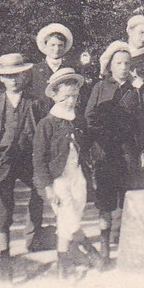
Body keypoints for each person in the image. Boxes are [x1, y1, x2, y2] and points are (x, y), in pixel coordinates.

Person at [0, 53, 46, 277]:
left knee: (42, 190)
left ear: (25, 76)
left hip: (28, 157)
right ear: (1, 79)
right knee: (2, 209)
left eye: (17, 75)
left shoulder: (34, 102)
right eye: (8, 76)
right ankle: (4, 256)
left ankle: (33, 235)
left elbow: (41, 132)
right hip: (4, 160)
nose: (13, 80)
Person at [33, 68, 103, 277]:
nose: (70, 101)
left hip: (77, 176)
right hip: (58, 180)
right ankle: (91, 251)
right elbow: (38, 159)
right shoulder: (47, 124)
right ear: (54, 96)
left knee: (68, 219)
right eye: (65, 97)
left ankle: (63, 262)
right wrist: (48, 187)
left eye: (74, 96)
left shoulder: (77, 120)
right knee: (69, 218)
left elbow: (85, 146)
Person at [86, 41, 144, 258]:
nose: (123, 67)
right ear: (110, 66)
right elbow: (89, 118)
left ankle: (123, 239)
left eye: (127, 63)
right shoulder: (100, 88)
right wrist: (97, 144)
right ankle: (104, 248)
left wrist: (142, 149)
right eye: (119, 63)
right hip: (105, 150)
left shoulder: (137, 89)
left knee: (128, 193)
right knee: (105, 197)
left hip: (128, 150)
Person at [29, 23, 74, 107]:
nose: (56, 49)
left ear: (64, 47)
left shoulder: (70, 70)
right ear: (45, 46)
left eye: (60, 45)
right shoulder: (34, 70)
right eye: (52, 45)